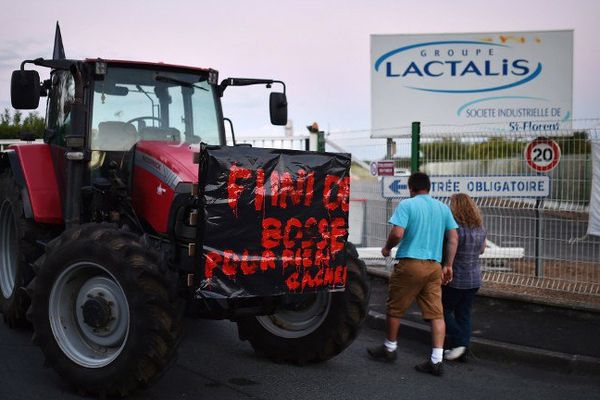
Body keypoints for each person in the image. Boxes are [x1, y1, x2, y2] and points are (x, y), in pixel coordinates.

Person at [367, 172, 458, 377]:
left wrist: (387, 247)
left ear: (411, 187)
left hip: (410, 264)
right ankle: (436, 360)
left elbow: (397, 233)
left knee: (395, 308)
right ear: (429, 187)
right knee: (436, 314)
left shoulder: (407, 205)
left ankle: (389, 349)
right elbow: (453, 238)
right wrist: (448, 265)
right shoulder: (443, 208)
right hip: (434, 266)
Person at [442, 193, 487, 362]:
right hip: (474, 278)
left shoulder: (454, 228)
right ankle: (462, 349)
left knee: (442, 310)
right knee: (464, 314)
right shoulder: (480, 227)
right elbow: (482, 249)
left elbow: (448, 249)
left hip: (456, 278)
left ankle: (460, 341)